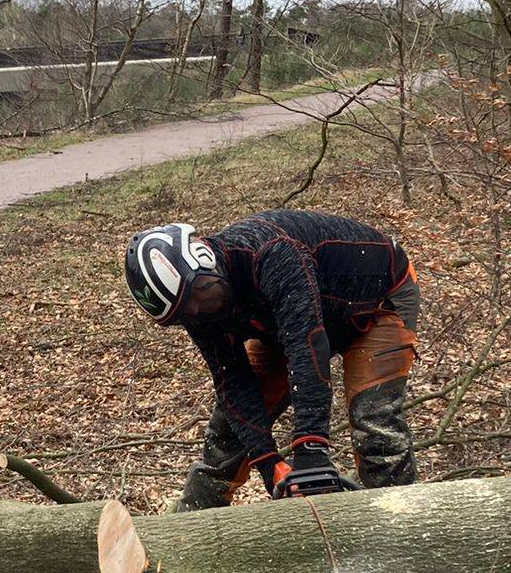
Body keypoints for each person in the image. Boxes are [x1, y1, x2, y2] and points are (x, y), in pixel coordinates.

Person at [123, 210, 420, 507]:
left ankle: (398, 524)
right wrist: (269, 464)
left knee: (375, 423)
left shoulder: (271, 253)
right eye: (189, 311)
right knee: (228, 430)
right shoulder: (196, 309)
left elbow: (306, 347)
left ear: (205, 258)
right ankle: (191, 521)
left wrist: (311, 447)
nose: (204, 309)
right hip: (284, 322)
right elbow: (233, 382)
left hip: (378, 302)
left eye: (204, 293)